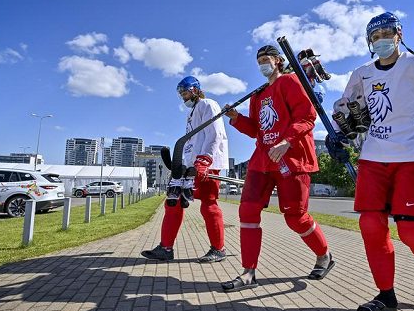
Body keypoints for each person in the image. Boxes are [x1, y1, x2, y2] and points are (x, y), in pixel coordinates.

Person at [326, 12, 414, 311]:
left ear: (399, 34)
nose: (381, 40)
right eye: (375, 37)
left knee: (412, 229)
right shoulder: (361, 73)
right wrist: (337, 136)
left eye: (387, 33)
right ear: (369, 42)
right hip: (374, 157)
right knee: (370, 225)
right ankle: (386, 295)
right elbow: (347, 109)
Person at [220, 45, 335, 292]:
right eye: (259, 60)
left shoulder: (291, 82)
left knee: (296, 218)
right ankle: (248, 272)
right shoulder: (258, 95)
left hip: (291, 158)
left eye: (266, 59)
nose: (262, 63)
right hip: (262, 160)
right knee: (248, 210)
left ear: (278, 60)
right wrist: (236, 118)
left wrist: (286, 141)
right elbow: (256, 130)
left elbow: (306, 117)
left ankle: (324, 255)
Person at [141, 76, 229, 263]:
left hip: (207, 164)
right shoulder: (191, 113)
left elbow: (216, 134)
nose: (183, 96)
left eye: (185, 91)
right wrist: (181, 165)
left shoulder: (208, 104)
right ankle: (165, 248)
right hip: (190, 166)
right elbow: (192, 143)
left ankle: (219, 249)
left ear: (195, 89)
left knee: (208, 204)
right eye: (181, 93)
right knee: (173, 202)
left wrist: (205, 160)